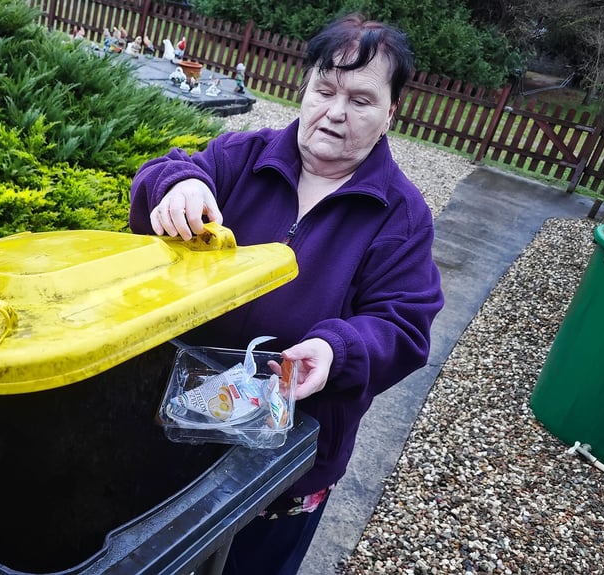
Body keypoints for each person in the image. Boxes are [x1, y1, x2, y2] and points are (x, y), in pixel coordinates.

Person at [128, 14, 443, 575]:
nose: (335, 112)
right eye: (324, 89)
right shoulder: (239, 158)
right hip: (181, 415)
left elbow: (403, 324)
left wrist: (336, 351)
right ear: (305, 88)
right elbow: (161, 173)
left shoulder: (401, 215)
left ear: (392, 112)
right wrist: (178, 185)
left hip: (288, 455)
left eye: (362, 100)